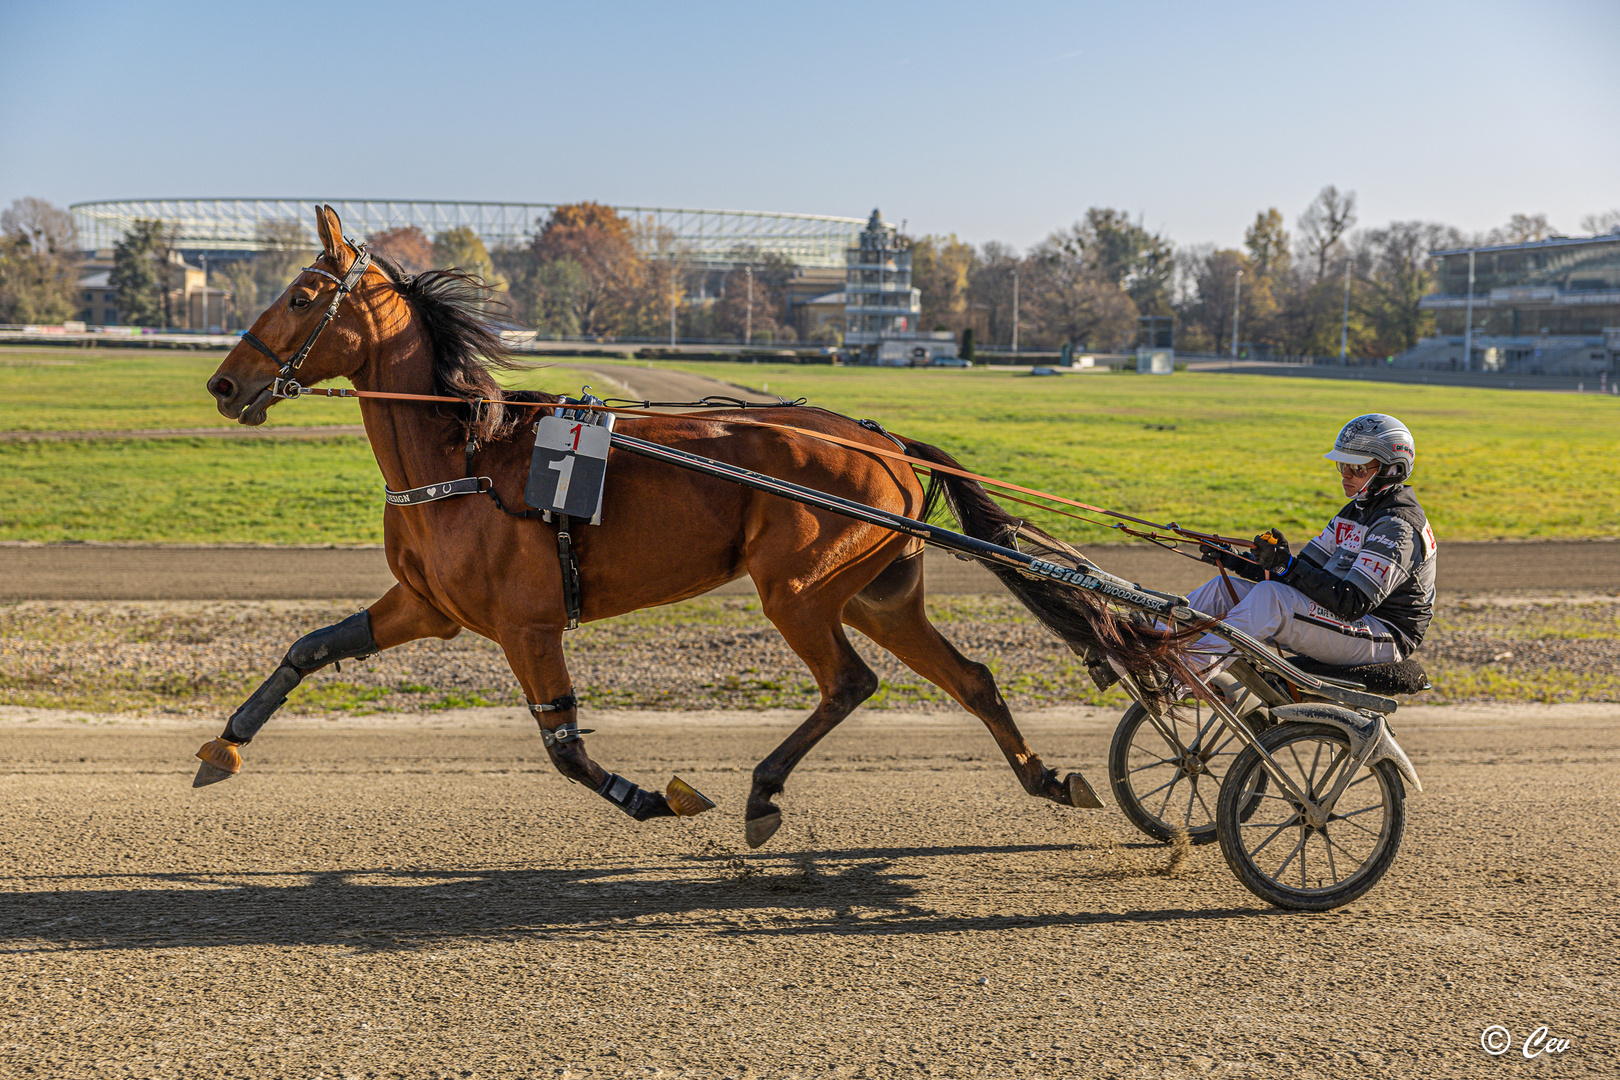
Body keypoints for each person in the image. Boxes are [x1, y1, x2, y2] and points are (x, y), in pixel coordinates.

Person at [1189, 413, 1437, 676]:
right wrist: (1237, 560)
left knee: (1271, 599)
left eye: (1358, 469)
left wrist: (1286, 565)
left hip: (1384, 635)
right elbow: (1299, 576)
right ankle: (1155, 651)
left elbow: (1350, 603)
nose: (1346, 475)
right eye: (1343, 466)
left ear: (1392, 470)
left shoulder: (1398, 526)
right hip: (1351, 620)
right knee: (1220, 590)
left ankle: (1184, 674)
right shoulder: (1355, 510)